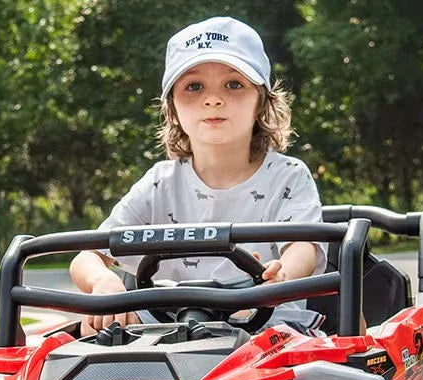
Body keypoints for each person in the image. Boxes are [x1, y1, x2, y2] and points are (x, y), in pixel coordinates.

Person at [69, 16, 327, 334]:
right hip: (171, 330)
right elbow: (87, 256)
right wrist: (103, 282)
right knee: (95, 328)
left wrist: (281, 276)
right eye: (194, 86)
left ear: (261, 100)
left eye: (234, 84)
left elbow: (303, 249)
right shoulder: (159, 183)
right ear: (172, 106)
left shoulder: (287, 177)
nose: (213, 99)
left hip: (264, 327)